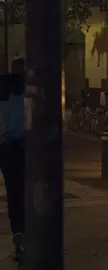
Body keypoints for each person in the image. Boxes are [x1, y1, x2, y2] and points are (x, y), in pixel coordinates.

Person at [0, 57, 26, 263]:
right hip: (27, 148)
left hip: (6, 147)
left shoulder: (4, 89)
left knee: (13, 193)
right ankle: (28, 233)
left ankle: (18, 234)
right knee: (29, 191)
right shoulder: (31, 91)